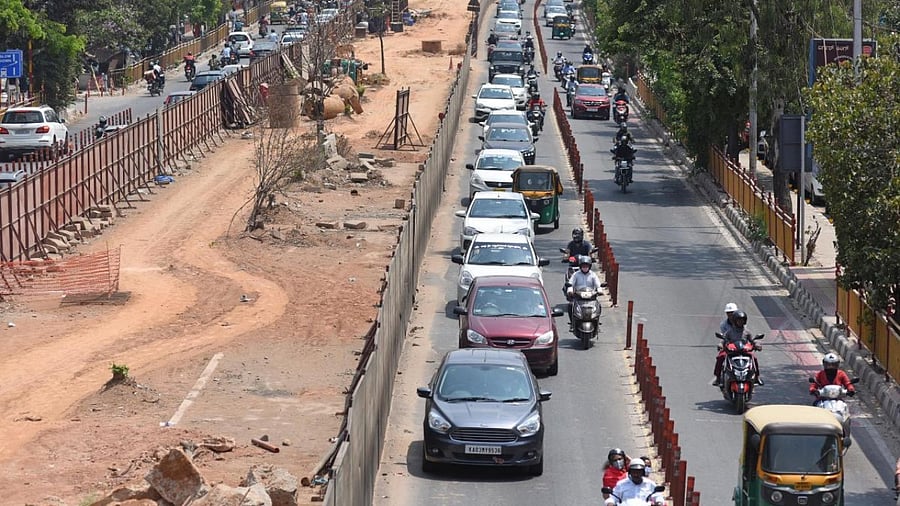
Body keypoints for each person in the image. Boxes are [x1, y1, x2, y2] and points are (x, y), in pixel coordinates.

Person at [712, 310, 762, 386]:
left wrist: (757, 345)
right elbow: (723, 339)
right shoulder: (730, 331)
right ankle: (718, 378)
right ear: (735, 321)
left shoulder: (747, 332)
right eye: (739, 320)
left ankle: (757, 378)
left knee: (754, 358)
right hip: (731, 351)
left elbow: (752, 340)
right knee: (720, 357)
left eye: (742, 320)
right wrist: (720, 345)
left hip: (744, 351)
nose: (740, 322)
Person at [566, 255, 603, 327]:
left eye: (586, 266)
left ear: (589, 266)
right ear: (580, 266)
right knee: (570, 305)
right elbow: (571, 283)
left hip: (591, 296)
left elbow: (598, 284)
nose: (585, 268)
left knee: (599, 305)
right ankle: (572, 323)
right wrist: (570, 291)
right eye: (583, 266)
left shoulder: (593, 275)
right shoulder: (576, 274)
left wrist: (599, 290)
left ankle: (597, 321)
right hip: (578, 295)